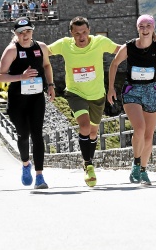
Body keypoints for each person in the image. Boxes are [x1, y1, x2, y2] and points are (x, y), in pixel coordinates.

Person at [48, 16, 120, 187]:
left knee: (94, 132)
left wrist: (150, 44)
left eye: (84, 33)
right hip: (75, 93)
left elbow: (121, 50)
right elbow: (44, 50)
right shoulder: (65, 44)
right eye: (77, 33)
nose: (81, 37)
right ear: (71, 33)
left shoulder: (100, 42)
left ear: (89, 31)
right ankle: (88, 164)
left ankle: (89, 160)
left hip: (97, 95)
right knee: (85, 127)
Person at [107, 15, 156, 185]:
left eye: (148, 26)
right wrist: (111, 88)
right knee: (140, 128)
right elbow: (114, 64)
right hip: (132, 91)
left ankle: (143, 170)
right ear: (138, 28)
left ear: (153, 28)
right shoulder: (129, 47)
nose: (145, 29)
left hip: (151, 91)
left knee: (148, 135)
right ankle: (136, 164)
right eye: (141, 26)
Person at [0, 17, 55, 189]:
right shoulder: (11, 51)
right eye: (21, 33)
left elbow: (47, 66)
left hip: (36, 97)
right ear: (16, 34)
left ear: (32, 31)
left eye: (28, 31)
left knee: (37, 135)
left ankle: (40, 176)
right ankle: (26, 164)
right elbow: (0, 76)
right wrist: (20, 77)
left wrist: (50, 85)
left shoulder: (41, 47)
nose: (25, 35)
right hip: (17, 100)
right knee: (23, 135)